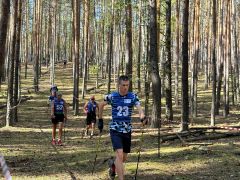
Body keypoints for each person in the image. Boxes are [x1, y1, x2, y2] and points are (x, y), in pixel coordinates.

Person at [98, 75, 147, 180]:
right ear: (118, 85)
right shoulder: (113, 96)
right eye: (123, 85)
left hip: (127, 130)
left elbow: (139, 109)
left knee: (123, 158)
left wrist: (142, 117)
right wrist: (100, 120)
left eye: (127, 85)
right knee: (119, 155)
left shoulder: (133, 96)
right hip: (115, 129)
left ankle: (113, 166)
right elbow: (101, 104)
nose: (125, 87)